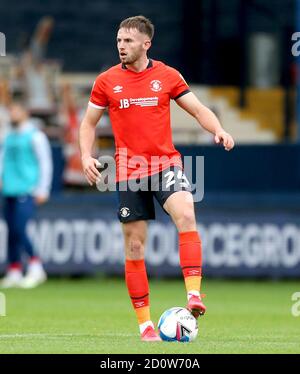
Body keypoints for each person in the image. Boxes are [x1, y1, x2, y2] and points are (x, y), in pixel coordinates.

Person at [79, 15, 234, 341]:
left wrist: (218, 128)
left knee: (187, 213)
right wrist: (85, 155)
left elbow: (198, 109)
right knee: (134, 247)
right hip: (128, 171)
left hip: (165, 165)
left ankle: (194, 294)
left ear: (146, 43)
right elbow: (88, 123)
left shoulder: (167, 76)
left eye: (128, 41)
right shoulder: (106, 81)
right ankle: (145, 326)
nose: (121, 46)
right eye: (119, 40)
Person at [0, 101, 53, 289]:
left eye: (15, 110)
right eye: (10, 110)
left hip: (27, 188)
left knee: (20, 228)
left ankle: (35, 265)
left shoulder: (35, 136)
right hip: (9, 189)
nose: (12, 114)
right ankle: (14, 269)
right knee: (11, 231)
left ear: (24, 113)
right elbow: (2, 159)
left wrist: (43, 188)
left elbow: (45, 162)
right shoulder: (8, 136)